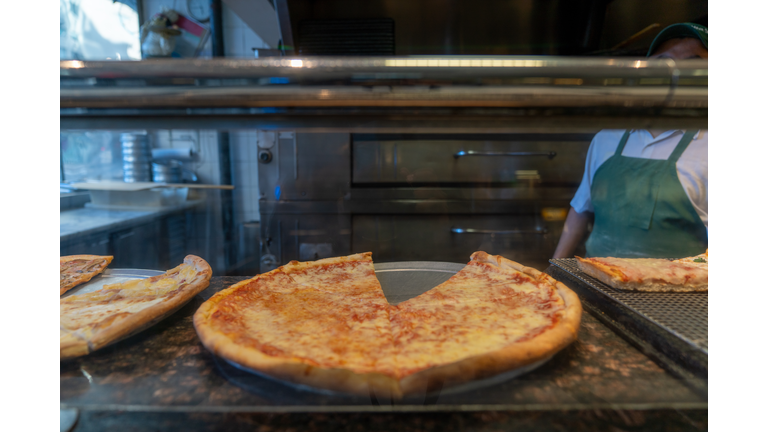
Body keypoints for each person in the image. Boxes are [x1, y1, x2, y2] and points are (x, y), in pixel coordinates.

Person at [552, 23, 708, 259]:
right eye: (662, 63)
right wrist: (553, 270)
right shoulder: (606, 138)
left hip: (677, 293)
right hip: (597, 286)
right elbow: (581, 210)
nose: (674, 74)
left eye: (693, 65)